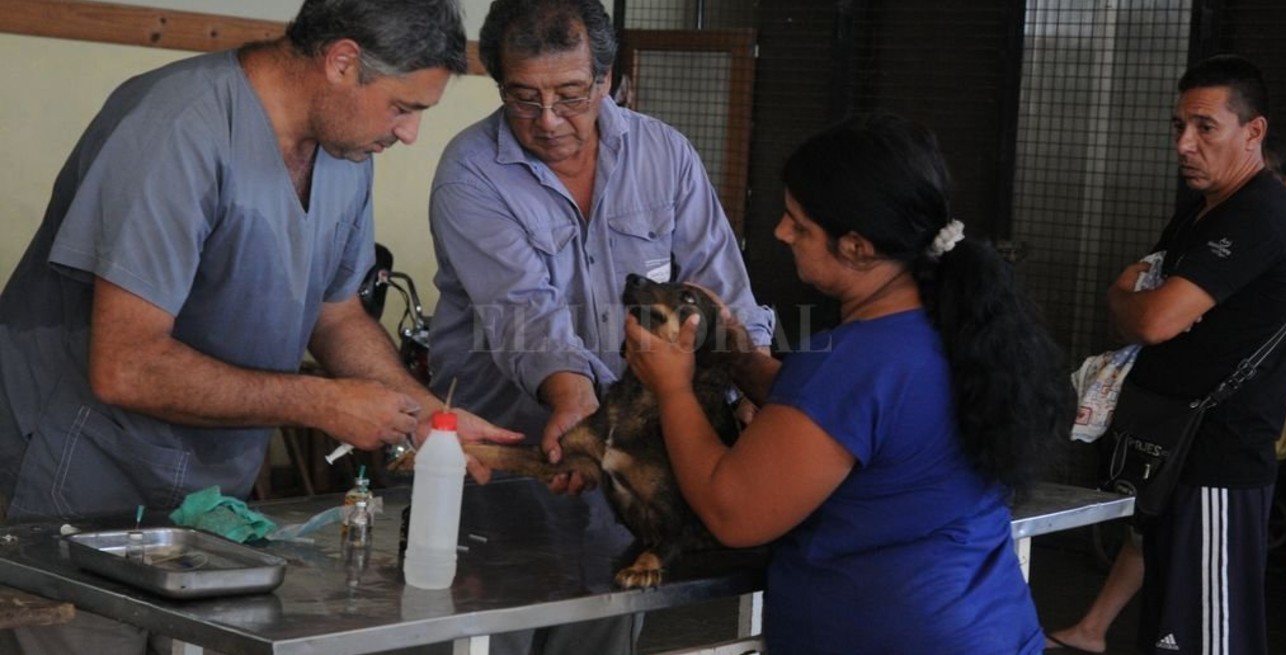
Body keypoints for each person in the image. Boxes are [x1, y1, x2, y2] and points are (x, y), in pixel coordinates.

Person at [0, 0, 522, 651]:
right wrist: (321, 403)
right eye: (402, 107)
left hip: (207, 501)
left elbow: (336, 313)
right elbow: (125, 365)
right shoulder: (178, 129)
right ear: (342, 62)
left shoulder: (345, 153)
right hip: (77, 479)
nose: (410, 133)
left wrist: (425, 418)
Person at [624, 112, 1073, 654]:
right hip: (987, 626)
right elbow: (844, 419)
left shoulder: (851, 361)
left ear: (857, 247)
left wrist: (672, 389)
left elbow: (733, 513)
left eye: (799, 225)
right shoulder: (958, 326)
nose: (781, 233)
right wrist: (740, 357)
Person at [424, 0, 773, 470]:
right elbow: (520, 309)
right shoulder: (471, 174)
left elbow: (720, 285)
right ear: (500, 84)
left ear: (605, 80)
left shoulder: (664, 154)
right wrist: (574, 399)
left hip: (653, 443)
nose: (548, 120)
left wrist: (755, 381)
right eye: (524, 97)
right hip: (519, 445)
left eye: (570, 95)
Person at [1048, 119, 1286, 655]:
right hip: (1173, 449)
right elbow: (1142, 296)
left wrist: (1127, 299)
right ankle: (1093, 629)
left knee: (1206, 631)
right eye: (1179, 126)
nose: (1185, 143)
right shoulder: (1201, 212)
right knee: (1164, 602)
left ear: (1251, 132)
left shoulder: (1267, 216)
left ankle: (1092, 629)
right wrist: (1131, 301)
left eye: (1205, 127)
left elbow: (1152, 319)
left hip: (1220, 455)